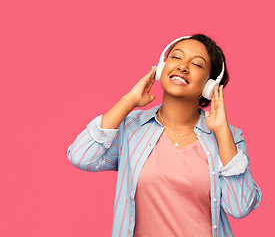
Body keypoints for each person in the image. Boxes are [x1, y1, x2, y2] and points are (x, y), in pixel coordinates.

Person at [67, 34, 262, 237]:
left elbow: (240, 207)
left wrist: (222, 132)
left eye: (196, 64)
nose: (182, 66)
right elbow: (81, 156)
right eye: (176, 57)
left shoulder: (229, 139)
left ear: (209, 86)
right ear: (162, 67)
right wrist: (129, 100)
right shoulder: (131, 128)